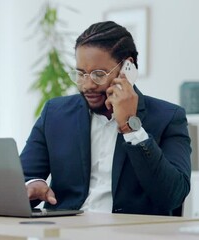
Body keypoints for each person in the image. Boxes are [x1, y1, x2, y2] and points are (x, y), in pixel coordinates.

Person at [20, 21, 191, 216]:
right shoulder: (55, 113)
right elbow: (24, 175)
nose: (87, 85)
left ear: (128, 67)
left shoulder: (168, 117)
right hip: (66, 231)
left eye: (98, 74)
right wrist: (34, 183)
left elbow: (173, 196)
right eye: (81, 74)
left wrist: (131, 127)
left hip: (130, 233)